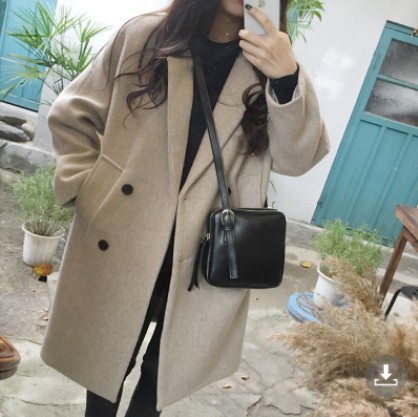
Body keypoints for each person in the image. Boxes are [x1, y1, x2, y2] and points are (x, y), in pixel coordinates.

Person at [41, 0, 330, 416]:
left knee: (162, 376)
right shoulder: (146, 36)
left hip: (207, 249)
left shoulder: (273, 63)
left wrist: (286, 79)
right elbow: (73, 114)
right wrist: (87, 190)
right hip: (126, 232)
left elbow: (296, 159)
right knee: (106, 362)